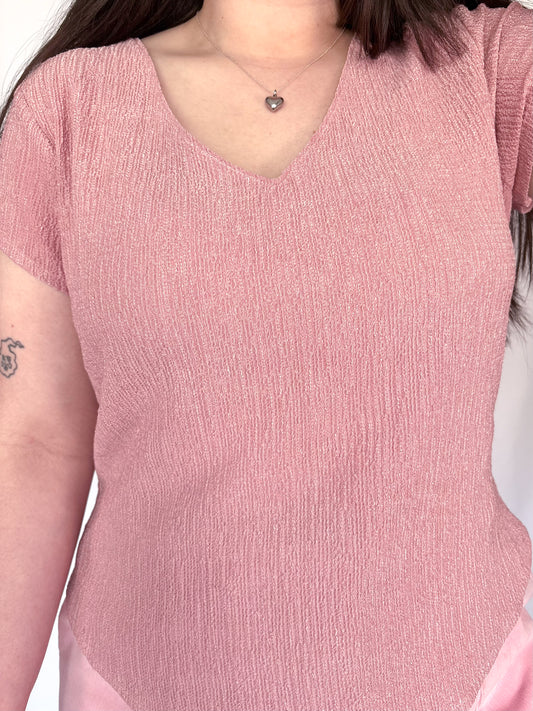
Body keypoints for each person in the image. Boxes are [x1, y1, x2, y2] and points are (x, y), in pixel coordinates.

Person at [0, 0, 532, 709]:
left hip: (473, 682)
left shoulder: (493, 65)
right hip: (137, 683)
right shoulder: (68, 111)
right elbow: (34, 443)